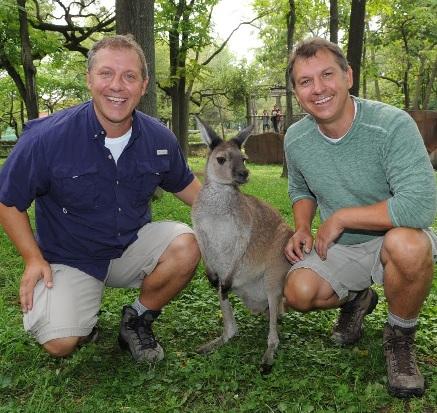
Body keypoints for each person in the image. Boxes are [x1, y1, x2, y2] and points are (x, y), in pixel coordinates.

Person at [0, 35, 202, 363]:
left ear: (144, 85)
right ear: (89, 79)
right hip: (70, 256)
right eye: (106, 73)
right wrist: (32, 258)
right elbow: (7, 201)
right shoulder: (46, 138)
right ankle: (81, 322)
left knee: (188, 243)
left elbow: (194, 191)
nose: (117, 86)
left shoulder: (160, 139)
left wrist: (249, 217)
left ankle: (137, 319)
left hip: (129, 248)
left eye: (129, 76)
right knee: (60, 342)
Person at [283, 37, 437, 398]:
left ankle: (400, 338)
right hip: (343, 247)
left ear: (348, 76)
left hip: (394, 236)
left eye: (327, 75)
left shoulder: (392, 125)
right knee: (298, 293)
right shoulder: (296, 138)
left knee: (408, 245)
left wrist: (341, 217)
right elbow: (300, 188)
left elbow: (419, 206)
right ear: (296, 91)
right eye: (305, 82)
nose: (318, 88)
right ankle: (358, 300)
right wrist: (303, 226)